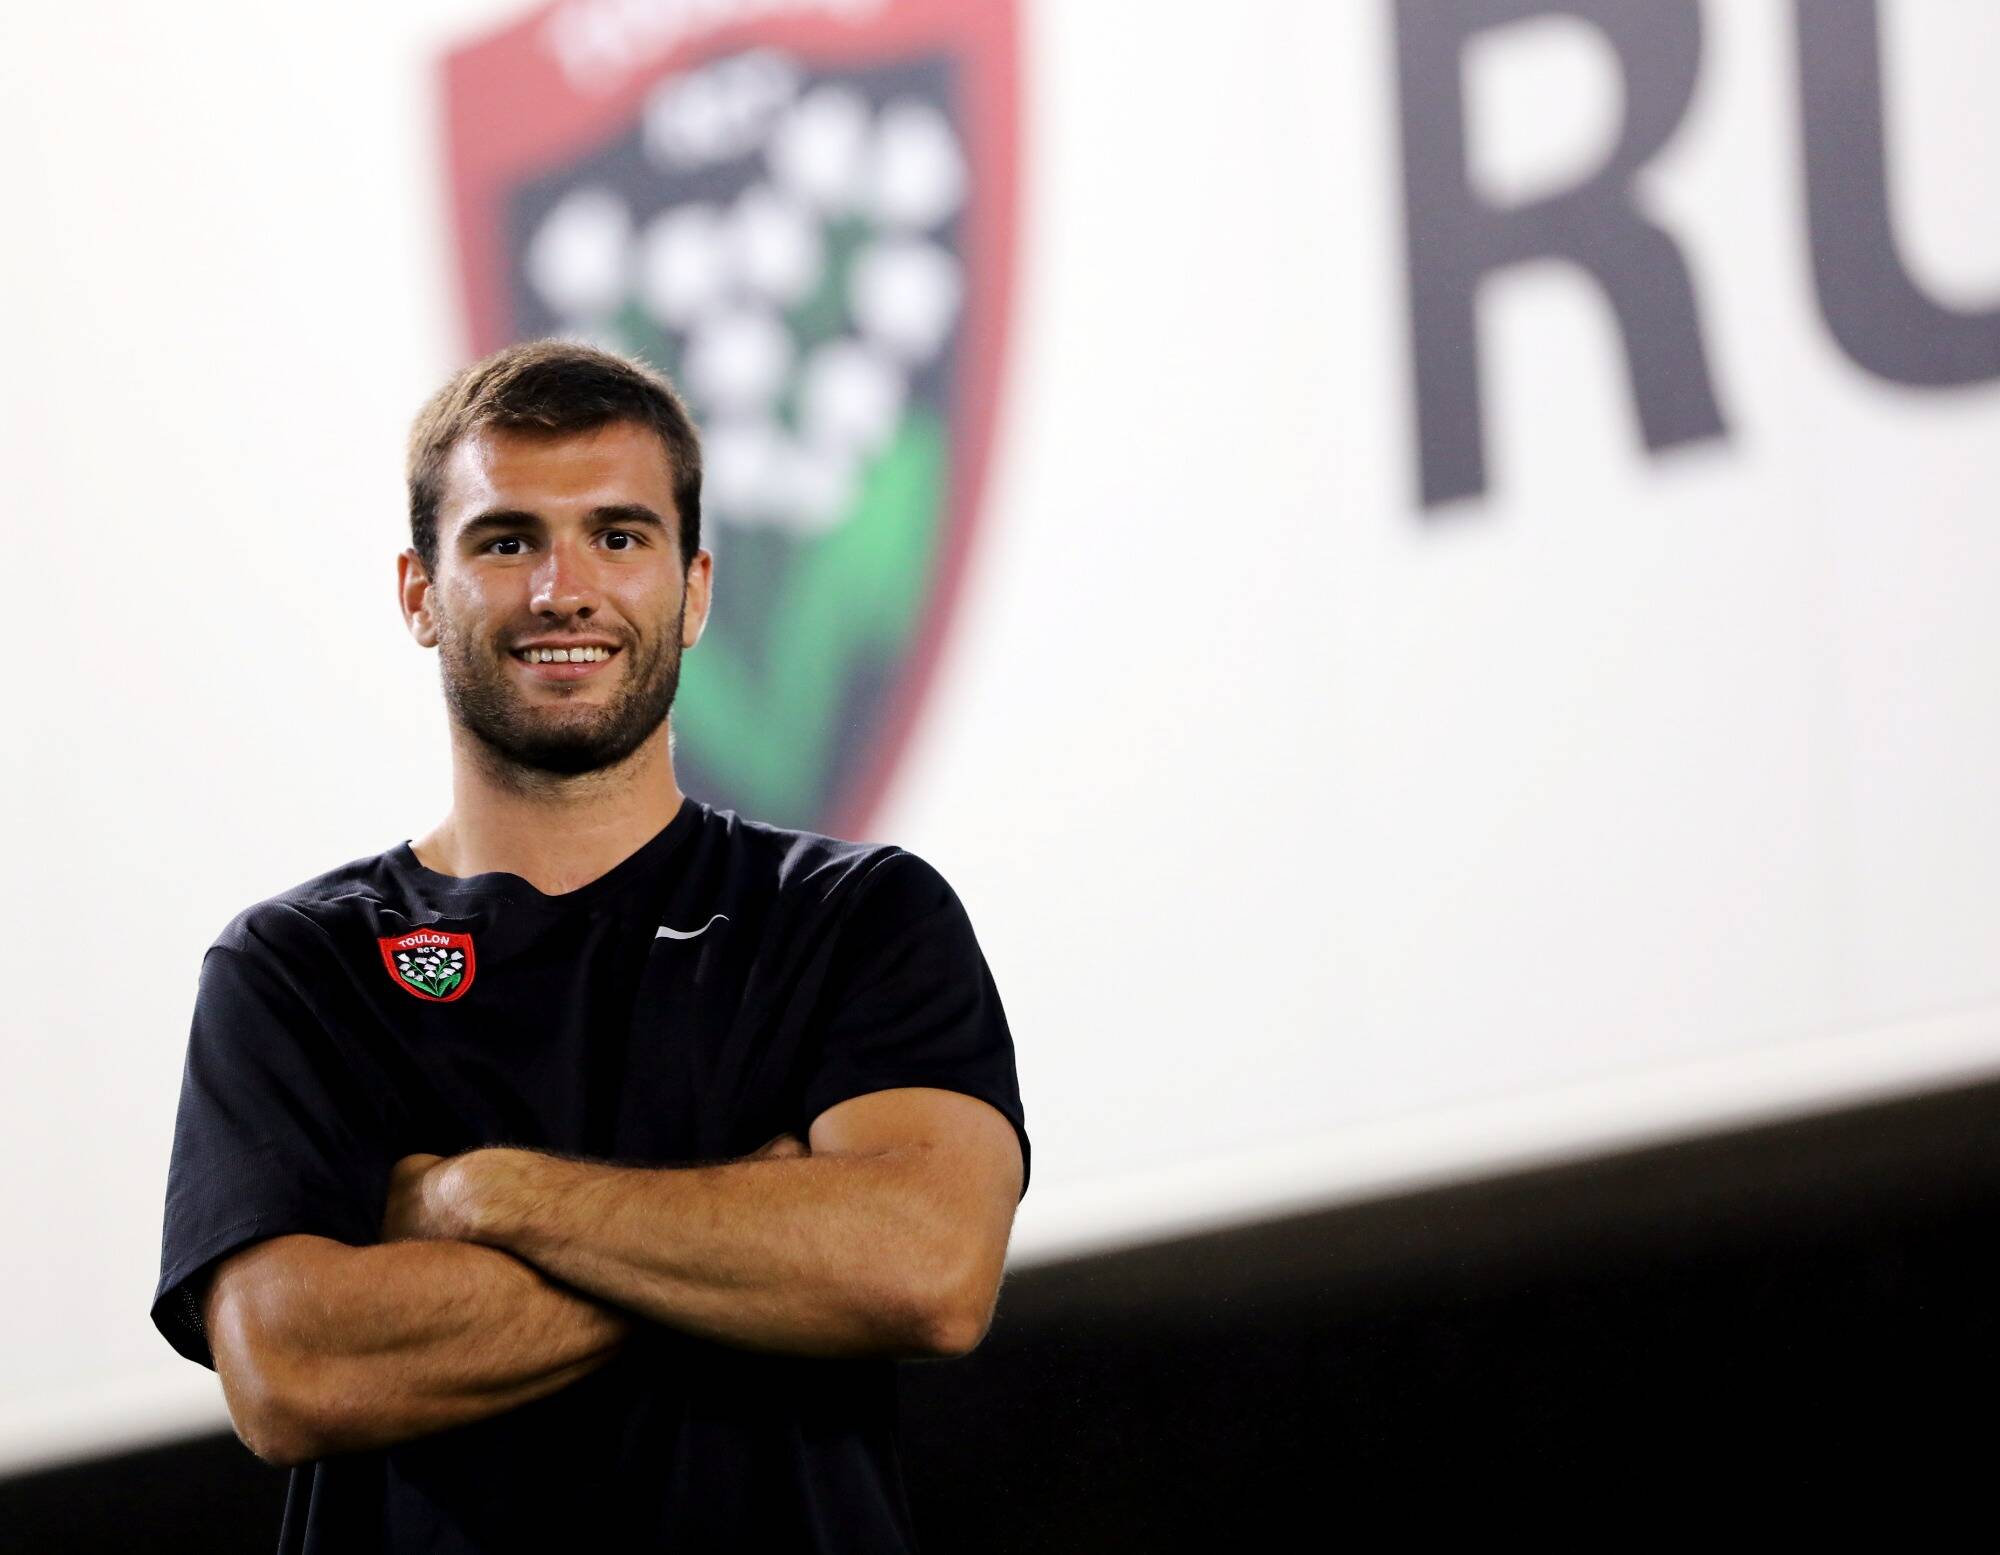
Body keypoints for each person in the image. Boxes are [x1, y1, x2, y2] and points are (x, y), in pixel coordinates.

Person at [148, 339, 1031, 1553]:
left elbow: (923, 1266)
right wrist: (758, 1234)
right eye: (506, 540)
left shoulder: (855, 917)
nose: (564, 589)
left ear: (696, 586)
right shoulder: (296, 967)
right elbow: (293, 1367)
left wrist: (476, 1193)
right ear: (418, 593)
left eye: (619, 536)